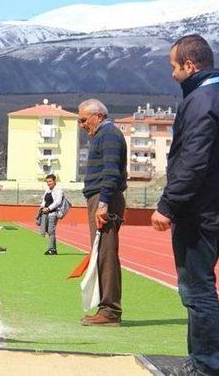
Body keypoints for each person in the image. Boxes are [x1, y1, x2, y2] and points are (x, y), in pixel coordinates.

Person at [150, 35, 219, 376]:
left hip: (201, 213)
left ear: (190, 66)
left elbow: (193, 160)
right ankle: (203, 362)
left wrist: (168, 205)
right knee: (199, 286)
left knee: (197, 290)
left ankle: (207, 367)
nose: (173, 75)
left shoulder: (203, 101)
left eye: (174, 68)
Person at [78, 98, 127, 327]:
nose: (82, 124)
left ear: (98, 116)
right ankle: (106, 309)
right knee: (102, 253)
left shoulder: (109, 135)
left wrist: (104, 203)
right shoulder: (102, 135)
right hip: (100, 198)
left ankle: (110, 311)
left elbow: (110, 172)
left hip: (104, 199)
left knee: (106, 254)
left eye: (84, 119)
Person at [39, 174, 63, 255]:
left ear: (54, 181)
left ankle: (51, 249)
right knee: (46, 230)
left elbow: (58, 202)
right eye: (47, 182)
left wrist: (48, 208)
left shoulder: (58, 190)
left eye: (50, 181)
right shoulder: (48, 190)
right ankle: (54, 249)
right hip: (45, 213)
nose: (48, 183)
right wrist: (42, 207)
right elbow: (44, 200)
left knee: (51, 231)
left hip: (53, 213)